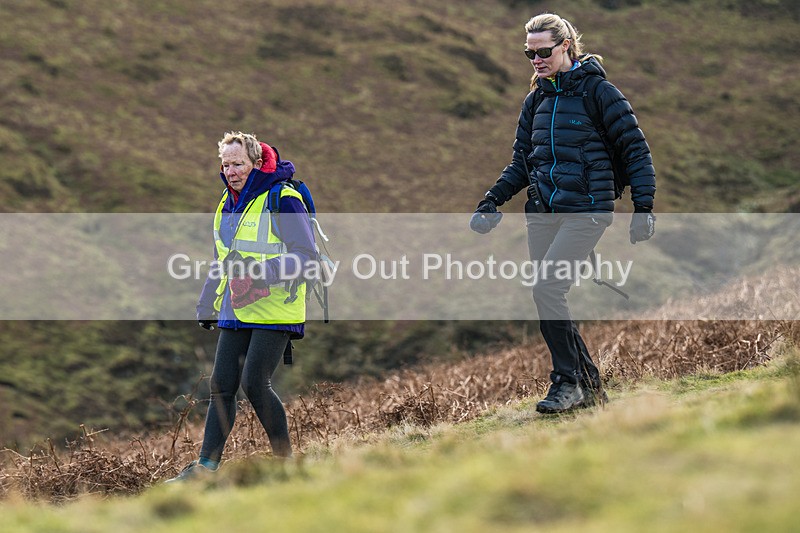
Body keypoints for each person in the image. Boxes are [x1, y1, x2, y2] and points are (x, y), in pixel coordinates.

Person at [470, 13, 656, 414]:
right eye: (528, 53)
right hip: (543, 211)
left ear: (566, 47)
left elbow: (635, 149)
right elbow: (523, 161)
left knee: (547, 289)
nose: (535, 59)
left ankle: (566, 383)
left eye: (543, 51)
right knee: (549, 296)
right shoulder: (536, 100)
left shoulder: (599, 93)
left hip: (587, 210)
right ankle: (589, 387)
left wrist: (644, 207)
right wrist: (491, 200)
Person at [167, 132, 316, 482]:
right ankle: (205, 468)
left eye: (238, 164)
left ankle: (285, 464)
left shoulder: (283, 198)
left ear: (255, 163)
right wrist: (208, 299)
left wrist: (261, 275)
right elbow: (224, 257)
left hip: (277, 306)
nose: (231, 171)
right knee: (221, 384)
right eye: (225, 164)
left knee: (254, 383)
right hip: (237, 304)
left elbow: (307, 258)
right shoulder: (227, 201)